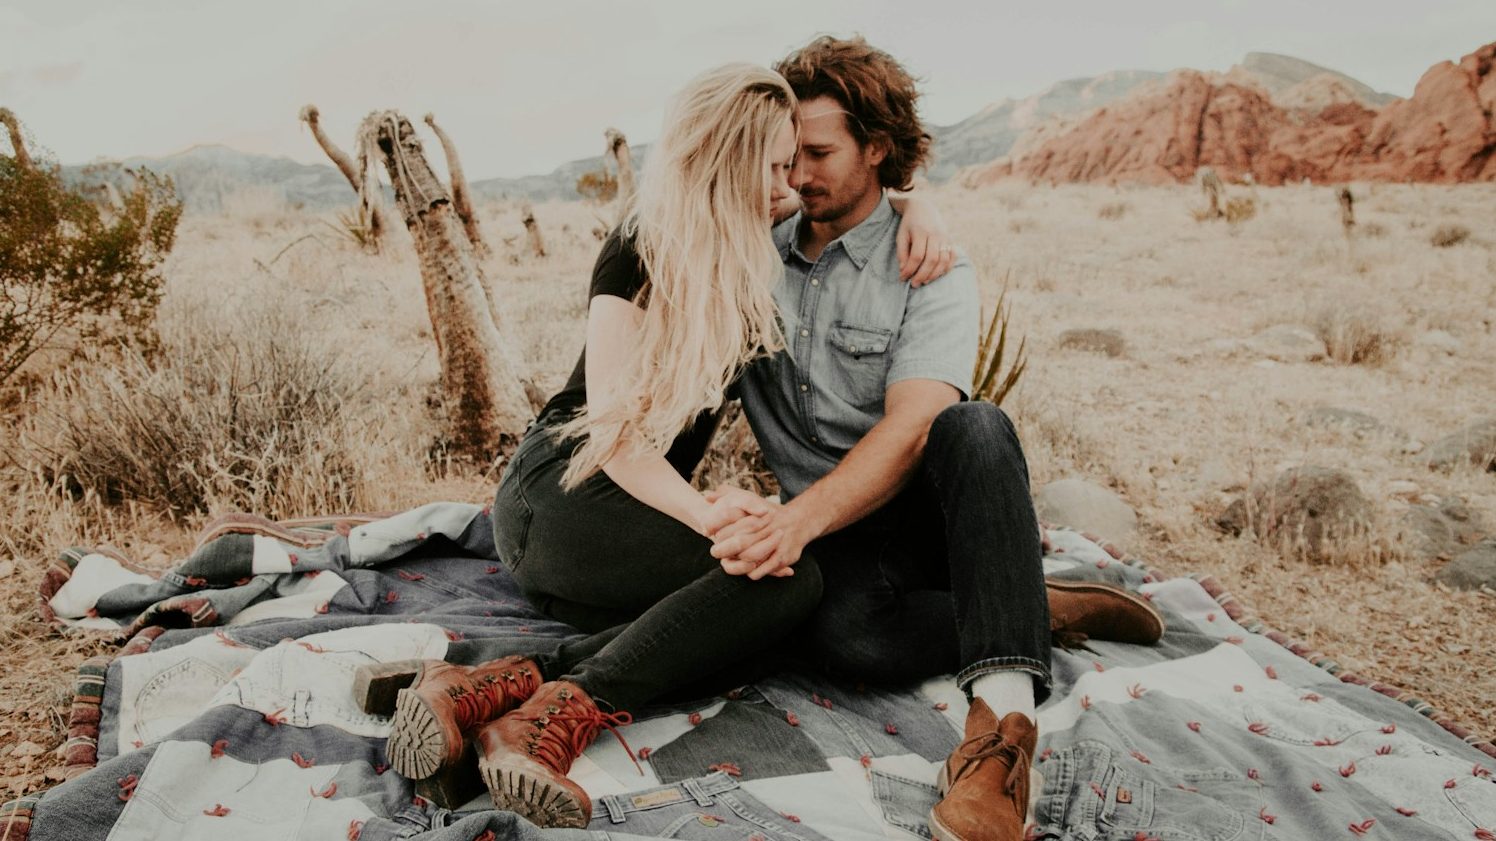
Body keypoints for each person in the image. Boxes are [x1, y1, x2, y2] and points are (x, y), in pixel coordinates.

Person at [357, 62, 955, 829]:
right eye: (775, 164)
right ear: (734, 161)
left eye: (796, 162)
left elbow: (855, 198)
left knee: (752, 625)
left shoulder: (753, 242)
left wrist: (915, 201)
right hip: (564, 495)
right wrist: (710, 516)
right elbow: (615, 436)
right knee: (785, 582)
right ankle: (533, 713)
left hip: (628, 529)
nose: (789, 182)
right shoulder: (640, 247)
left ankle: (486, 689)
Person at [708, 37, 1164, 841]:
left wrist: (794, 522)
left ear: (876, 148)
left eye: (818, 153)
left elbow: (916, 425)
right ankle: (1028, 605)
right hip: (841, 530)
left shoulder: (932, 265)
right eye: (788, 155)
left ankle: (999, 735)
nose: (798, 175)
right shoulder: (752, 253)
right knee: (843, 638)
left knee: (973, 422)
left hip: (925, 512)